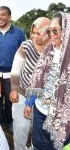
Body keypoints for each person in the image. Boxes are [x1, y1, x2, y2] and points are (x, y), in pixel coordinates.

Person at [24, 12, 70, 150]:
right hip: (40, 111)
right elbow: (37, 79)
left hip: (62, 117)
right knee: (39, 145)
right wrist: (29, 103)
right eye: (49, 31)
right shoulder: (48, 50)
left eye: (55, 31)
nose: (51, 35)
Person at [10, 17, 51, 150]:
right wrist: (14, 89)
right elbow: (16, 69)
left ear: (47, 34)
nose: (34, 36)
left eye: (38, 33)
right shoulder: (26, 46)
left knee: (37, 129)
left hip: (41, 98)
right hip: (22, 92)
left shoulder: (52, 50)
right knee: (21, 127)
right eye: (33, 32)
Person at [0, 6, 25, 132]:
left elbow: (23, 54)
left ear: (9, 17)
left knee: (10, 101)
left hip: (12, 75)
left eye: (2, 15)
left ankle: (9, 122)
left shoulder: (18, 33)